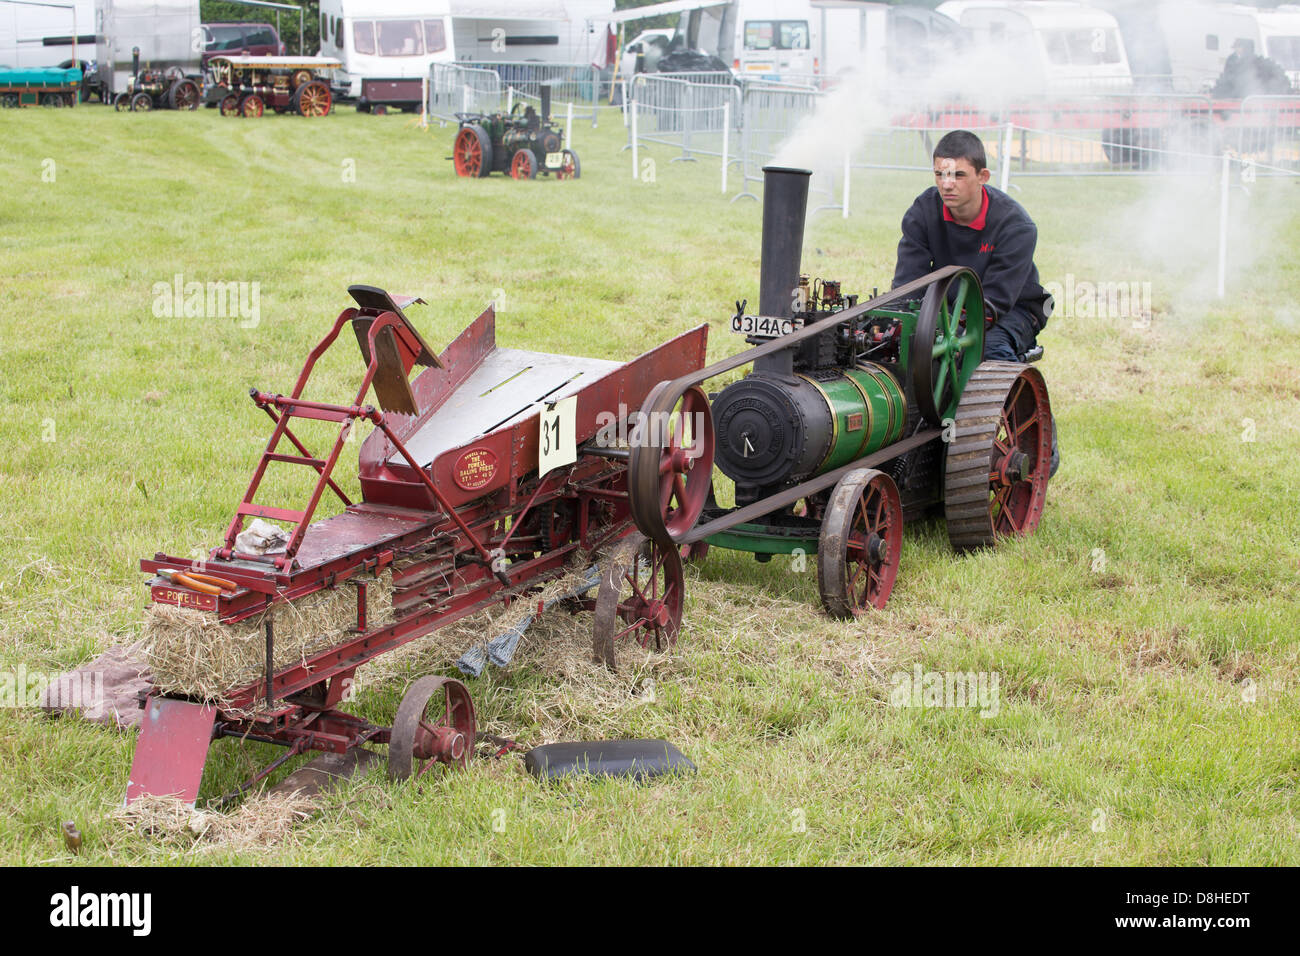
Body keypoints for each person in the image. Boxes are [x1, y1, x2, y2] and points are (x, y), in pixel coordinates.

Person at [892, 129, 1059, 474]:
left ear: (983, 177)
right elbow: (908, 286)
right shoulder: (924, 211)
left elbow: (994, 302)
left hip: (1015, 309)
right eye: (940, 174)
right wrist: (901, 325)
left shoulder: (1016, 225)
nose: (946, 184)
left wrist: (942, 333)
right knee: (896, 346)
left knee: (990, 354)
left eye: (957, 175)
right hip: (949, 311)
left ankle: (1039, 451)